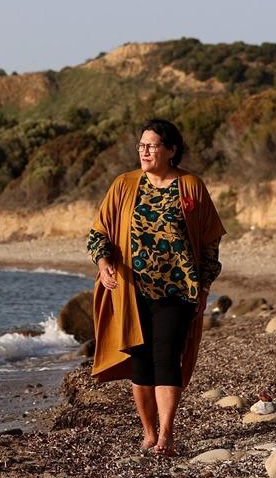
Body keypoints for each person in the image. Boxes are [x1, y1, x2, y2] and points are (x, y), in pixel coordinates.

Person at [87, 119, 225, 456]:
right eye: (141, 145)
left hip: (178, 291)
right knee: (141, 363)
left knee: (167, 360)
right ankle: (148, 431)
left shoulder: (190, 186)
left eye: (152, 145)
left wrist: (204, 286)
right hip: (131, 291)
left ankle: (166, 434)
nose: (145, 151)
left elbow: (209, 243)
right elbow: (98, 234)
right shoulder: (124, 185)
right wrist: (104, 264)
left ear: (171, 150)